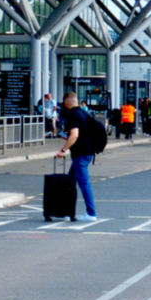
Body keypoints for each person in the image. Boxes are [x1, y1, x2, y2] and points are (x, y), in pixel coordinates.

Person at [54, 91, 100, 222]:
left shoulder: (72, 115)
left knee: (83, 183)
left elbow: (74, 135)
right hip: (88, 151)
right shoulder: (84, 113)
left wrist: (63, 150)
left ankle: (91, 213)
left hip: (80, 154)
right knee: (71, 181)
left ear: (66, 103)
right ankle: (67, 212)